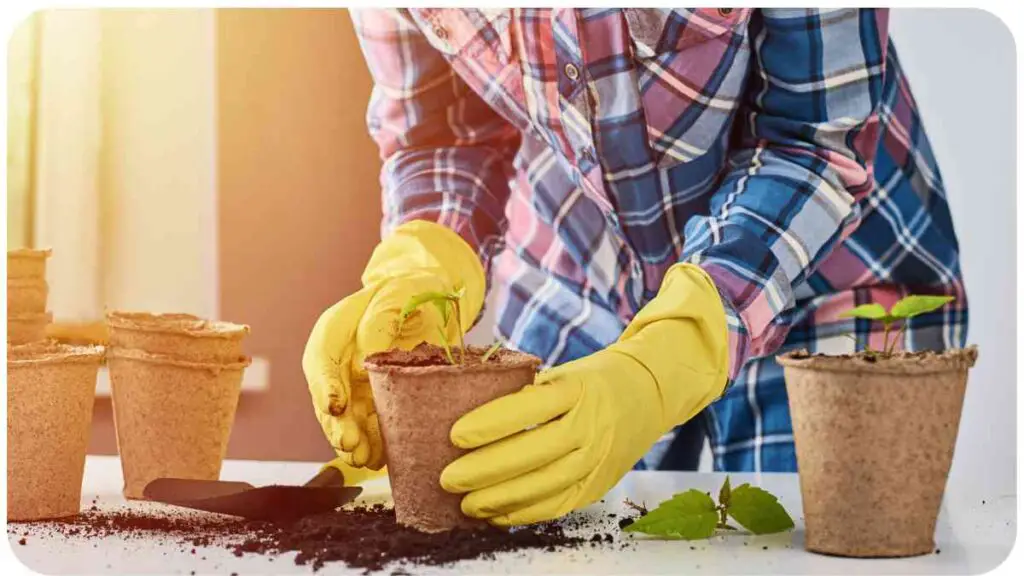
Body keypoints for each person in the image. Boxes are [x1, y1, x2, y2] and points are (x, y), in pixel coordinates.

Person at [303, 8, 967, 527]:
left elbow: (812, 139)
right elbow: (444, 131)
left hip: (823, 266)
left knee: (818, 548)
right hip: (578, 265)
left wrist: (676, 351)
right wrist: (426, 252)